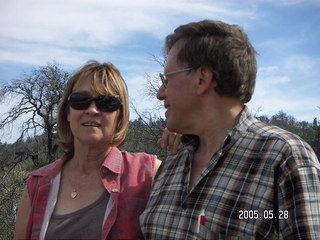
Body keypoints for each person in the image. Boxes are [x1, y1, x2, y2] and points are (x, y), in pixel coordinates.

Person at [140, 19, 320, 239]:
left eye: (166, 79)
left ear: (202, 78)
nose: (160, 93)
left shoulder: (284, 157)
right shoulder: (172, 163)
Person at [14, 60, 181, 240]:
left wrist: (189, 143)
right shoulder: (38, 184)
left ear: (120, 116)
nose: (92, 109)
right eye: (80, 101)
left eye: (106, 102)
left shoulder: (147, 173)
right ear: (67, 112)